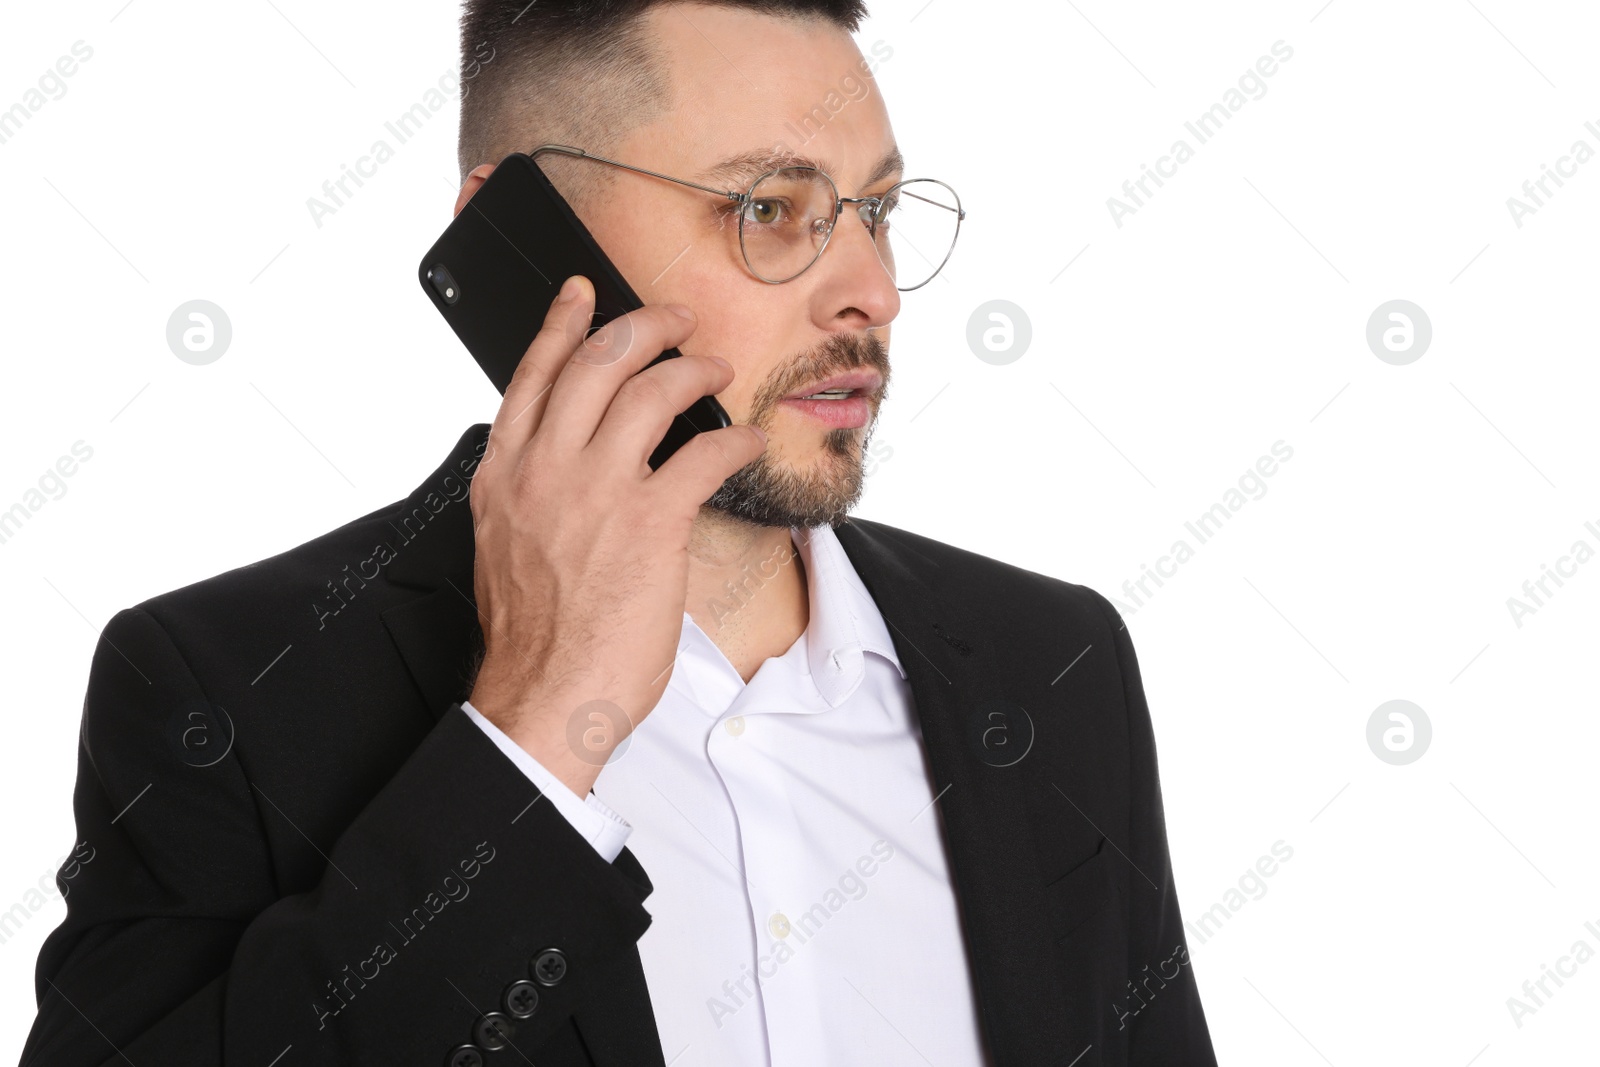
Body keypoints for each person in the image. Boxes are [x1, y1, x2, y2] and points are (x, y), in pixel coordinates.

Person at [19, 2, 1217, 1064]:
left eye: (876, 212)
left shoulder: (1055, 663)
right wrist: (533, 737)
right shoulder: (229, 689)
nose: (872, 292)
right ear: (522, 235)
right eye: (768, 208)